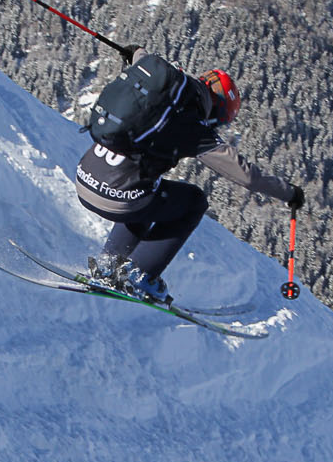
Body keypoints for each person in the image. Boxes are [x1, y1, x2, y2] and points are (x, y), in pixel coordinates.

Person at [75, 49, 305, 304]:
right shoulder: (193, 126)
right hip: (118, 199)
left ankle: (108, 266)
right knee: (193, 201)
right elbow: (248, 177)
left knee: (149, 191)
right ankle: (138, 275)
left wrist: (135, 51)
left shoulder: (161, 92)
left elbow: (142, 56)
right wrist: (290, 193)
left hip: (85, 179)